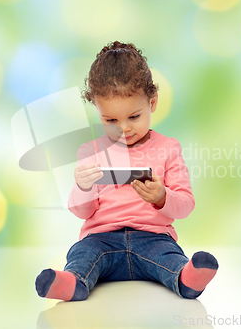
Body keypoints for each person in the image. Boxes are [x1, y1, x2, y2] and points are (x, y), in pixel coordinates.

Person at [35, 41, 218, 301]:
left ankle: (186, 279)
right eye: (111, 120)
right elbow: (81, 212)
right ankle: (72, 283)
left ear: (152, 103)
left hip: (153, 238)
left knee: (169, 256)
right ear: (98, 111)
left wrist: (161, 197)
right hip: (101, 239)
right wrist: (83, 187)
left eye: (134, 117)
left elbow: (186, 205)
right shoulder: (90, 151)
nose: (124, 128)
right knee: (83, 254)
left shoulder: (168, 148)